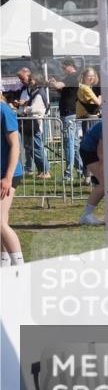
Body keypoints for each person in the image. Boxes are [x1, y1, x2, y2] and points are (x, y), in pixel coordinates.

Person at [48, 58, 83, 182]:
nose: (62, 69)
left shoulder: (71, 77)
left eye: (63, 67)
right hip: (71, 113)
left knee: (69, 144)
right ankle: (81, 170)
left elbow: (58, 85)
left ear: (70, 66)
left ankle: (69, 174)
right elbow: (65, 90)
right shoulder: (73, 78)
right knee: (74, 144)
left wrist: (52, 82)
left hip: (69, 114)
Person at [12, 68, 50, 178]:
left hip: (35, 123)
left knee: (37, 148)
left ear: (36, 80)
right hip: (30, 123)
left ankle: (46, 171)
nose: (30, 81)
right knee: (33, 149)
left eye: (32, 79)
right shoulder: (33, 92)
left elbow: (35, 108)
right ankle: (41, 171)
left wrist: (23, 109)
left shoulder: (39, 92)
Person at [1, 101, 24, 266]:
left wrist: (7, 178)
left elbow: (15, 145)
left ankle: (20, 266)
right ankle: (4, 261)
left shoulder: (3, 110)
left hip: (8, 173)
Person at [76, 67, 101, 134]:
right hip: (88, 118)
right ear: (84, 77)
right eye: (89, 76)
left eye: (93, 76)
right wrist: (100, 98)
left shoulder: (84, 87)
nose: (91, 78)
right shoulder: (85, 88)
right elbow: (99, 102)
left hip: (86, 118)